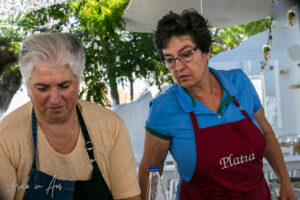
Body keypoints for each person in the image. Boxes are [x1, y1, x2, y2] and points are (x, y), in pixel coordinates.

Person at [138, 9, 297, 200]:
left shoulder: (240, 83)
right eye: (170, 60)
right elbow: (149, 172)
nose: (178, 67)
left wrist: (286, 183)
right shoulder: (164, 108)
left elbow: (268, 135)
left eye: (186, 54)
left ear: (206, 51)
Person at [0, 33, 141, 200]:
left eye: (64, 86)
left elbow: (128, 197)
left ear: (79, 82)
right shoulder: (6, 136)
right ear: (28, 88)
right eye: (42, 88)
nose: (54, 99)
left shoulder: (110, 127)